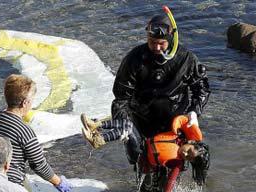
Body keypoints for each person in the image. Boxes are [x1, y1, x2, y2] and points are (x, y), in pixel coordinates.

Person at [80, 9, 210, 165]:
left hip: (174, 122)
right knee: (141, 161)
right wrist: (122, 119)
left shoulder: (186, 59)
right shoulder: (135, 58)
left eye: (161, 43)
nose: (156, 47)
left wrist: (194, 112)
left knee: (192, 157)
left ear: (170, 39)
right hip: (141, 120)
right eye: (152, 42)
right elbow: (121, 97)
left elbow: (201, 89)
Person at [0, 74, 72, 192]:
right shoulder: (24, 131)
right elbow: (39, 165)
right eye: (32, 100)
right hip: (6, 187)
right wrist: (58, 182)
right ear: (25, 103)